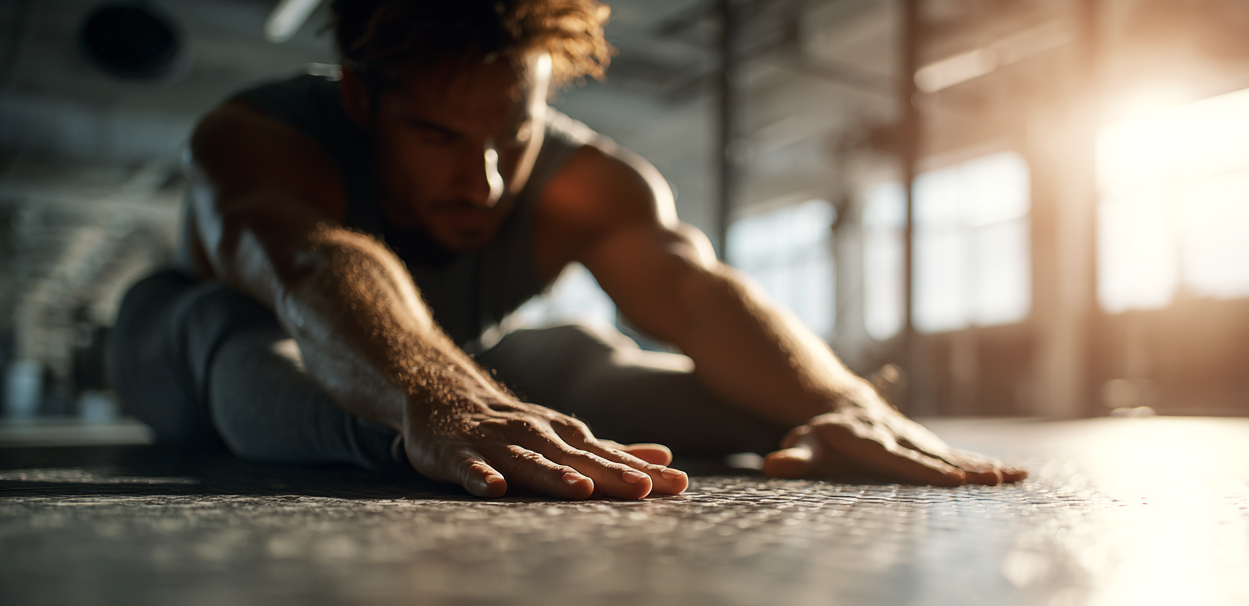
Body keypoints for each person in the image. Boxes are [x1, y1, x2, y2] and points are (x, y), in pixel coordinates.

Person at [109, 0, 1026, 500]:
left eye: (512, 134)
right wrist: (441, 400)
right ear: (359, 100)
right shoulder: (260, 138)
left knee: (575, 358)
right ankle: (427, 431)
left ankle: (807, 432)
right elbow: (312, 264)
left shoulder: (588, 178)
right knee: (239, 336)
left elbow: (697, 294)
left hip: (448, 352)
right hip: (201, 358)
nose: (485, 182)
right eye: (435, 138)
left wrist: (839, 400)